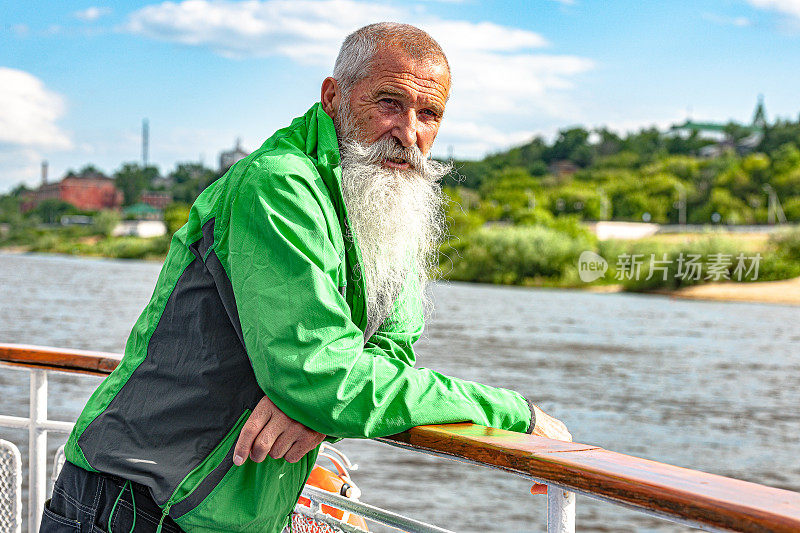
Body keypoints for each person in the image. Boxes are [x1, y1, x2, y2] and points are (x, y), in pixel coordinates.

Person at [41, 22, 570, 533]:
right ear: (333, 96)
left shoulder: (385, 200)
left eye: (428, 114)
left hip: (227, 512)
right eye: (389, 103)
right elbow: (321, 378)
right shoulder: (279, 186)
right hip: (136, 504)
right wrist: (511, 411)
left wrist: (322, 405)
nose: (408, 132)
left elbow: (391, 346)